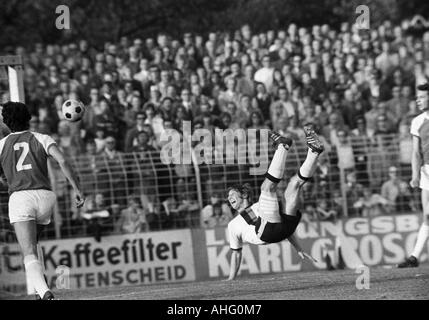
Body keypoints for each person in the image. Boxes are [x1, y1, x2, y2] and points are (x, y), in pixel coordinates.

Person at [0, 102, 85, 299]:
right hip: (46, 198)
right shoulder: (42, 138)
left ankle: (45, 292)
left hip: (21, 198)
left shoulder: (2, 144)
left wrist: (6, 180)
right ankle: (40, 287)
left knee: (27, 251)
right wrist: (77, 189)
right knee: (33, 241)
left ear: (5, 122)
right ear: (28, 118)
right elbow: (62, 161)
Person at [226, 127, 323, 280]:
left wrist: (298, 248)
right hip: (271, 231)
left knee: (293, 185)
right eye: (228, 196)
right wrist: (231, 279)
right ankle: (283, 147)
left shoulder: (260, 206)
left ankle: (313, 152)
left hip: (282, 229)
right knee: (267, 188)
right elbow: (236, 253)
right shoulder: (233, 225)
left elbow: (282, 227)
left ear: (243, 195)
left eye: (232, 194)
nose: (229, 198)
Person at [398, 83, 429, 268]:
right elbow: (416, 152)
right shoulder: (417, 121)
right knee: (427, 216)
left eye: (422, 96)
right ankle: (414, 257)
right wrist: (414, 175)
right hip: (427, 171)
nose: (418, 100)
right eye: (417, 97)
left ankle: (414, 257)